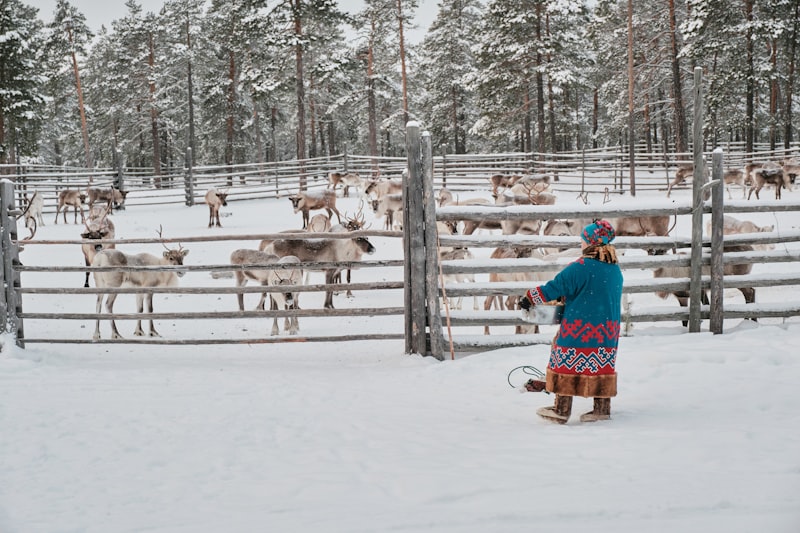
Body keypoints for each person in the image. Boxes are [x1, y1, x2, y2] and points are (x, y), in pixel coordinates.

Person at [519, 219, 623, 424]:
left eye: (583, 240)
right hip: (607, 332)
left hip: (579, 329)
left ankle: (561, 410)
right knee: (600, 367)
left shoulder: (581, 267)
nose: (581, 244)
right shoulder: (614, 269)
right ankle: (601, 408)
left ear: (592, 242)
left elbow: (555, 287)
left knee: (564, 363)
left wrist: (530, 297)